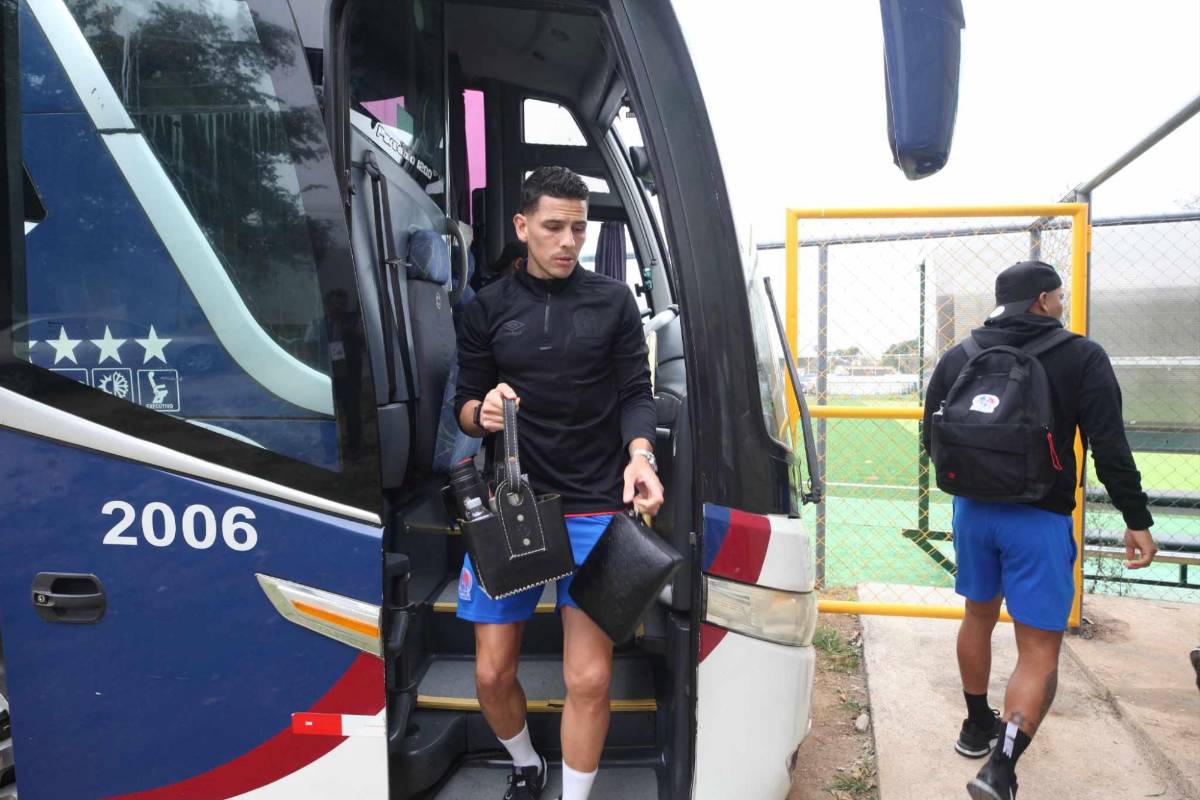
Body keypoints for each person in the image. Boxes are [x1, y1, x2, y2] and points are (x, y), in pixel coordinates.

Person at [453, 166, 664, 800]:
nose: (568, 240)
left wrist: (640, 455)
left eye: (579, 227)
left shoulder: (614, 301)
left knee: (590, 679)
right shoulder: (487, 308)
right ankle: (524, 762)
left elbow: (636, 392)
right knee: (491, 674)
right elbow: (464, 405)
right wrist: (481, 412)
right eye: (553, 227)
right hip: (513, 504)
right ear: (523, 227)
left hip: (596, 504)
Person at [922, 260, 1158, 800]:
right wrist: (1136, 519)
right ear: (1043, 301)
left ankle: (976, 724)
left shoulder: (961, 353)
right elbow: (1109, 447)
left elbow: (930, 435)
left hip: (973, 514)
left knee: (977, 616)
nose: (1063, 303)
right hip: (1041, 518)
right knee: (1037, 648)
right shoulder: (1081, 354)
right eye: (1059, 295)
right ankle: (999, 769)